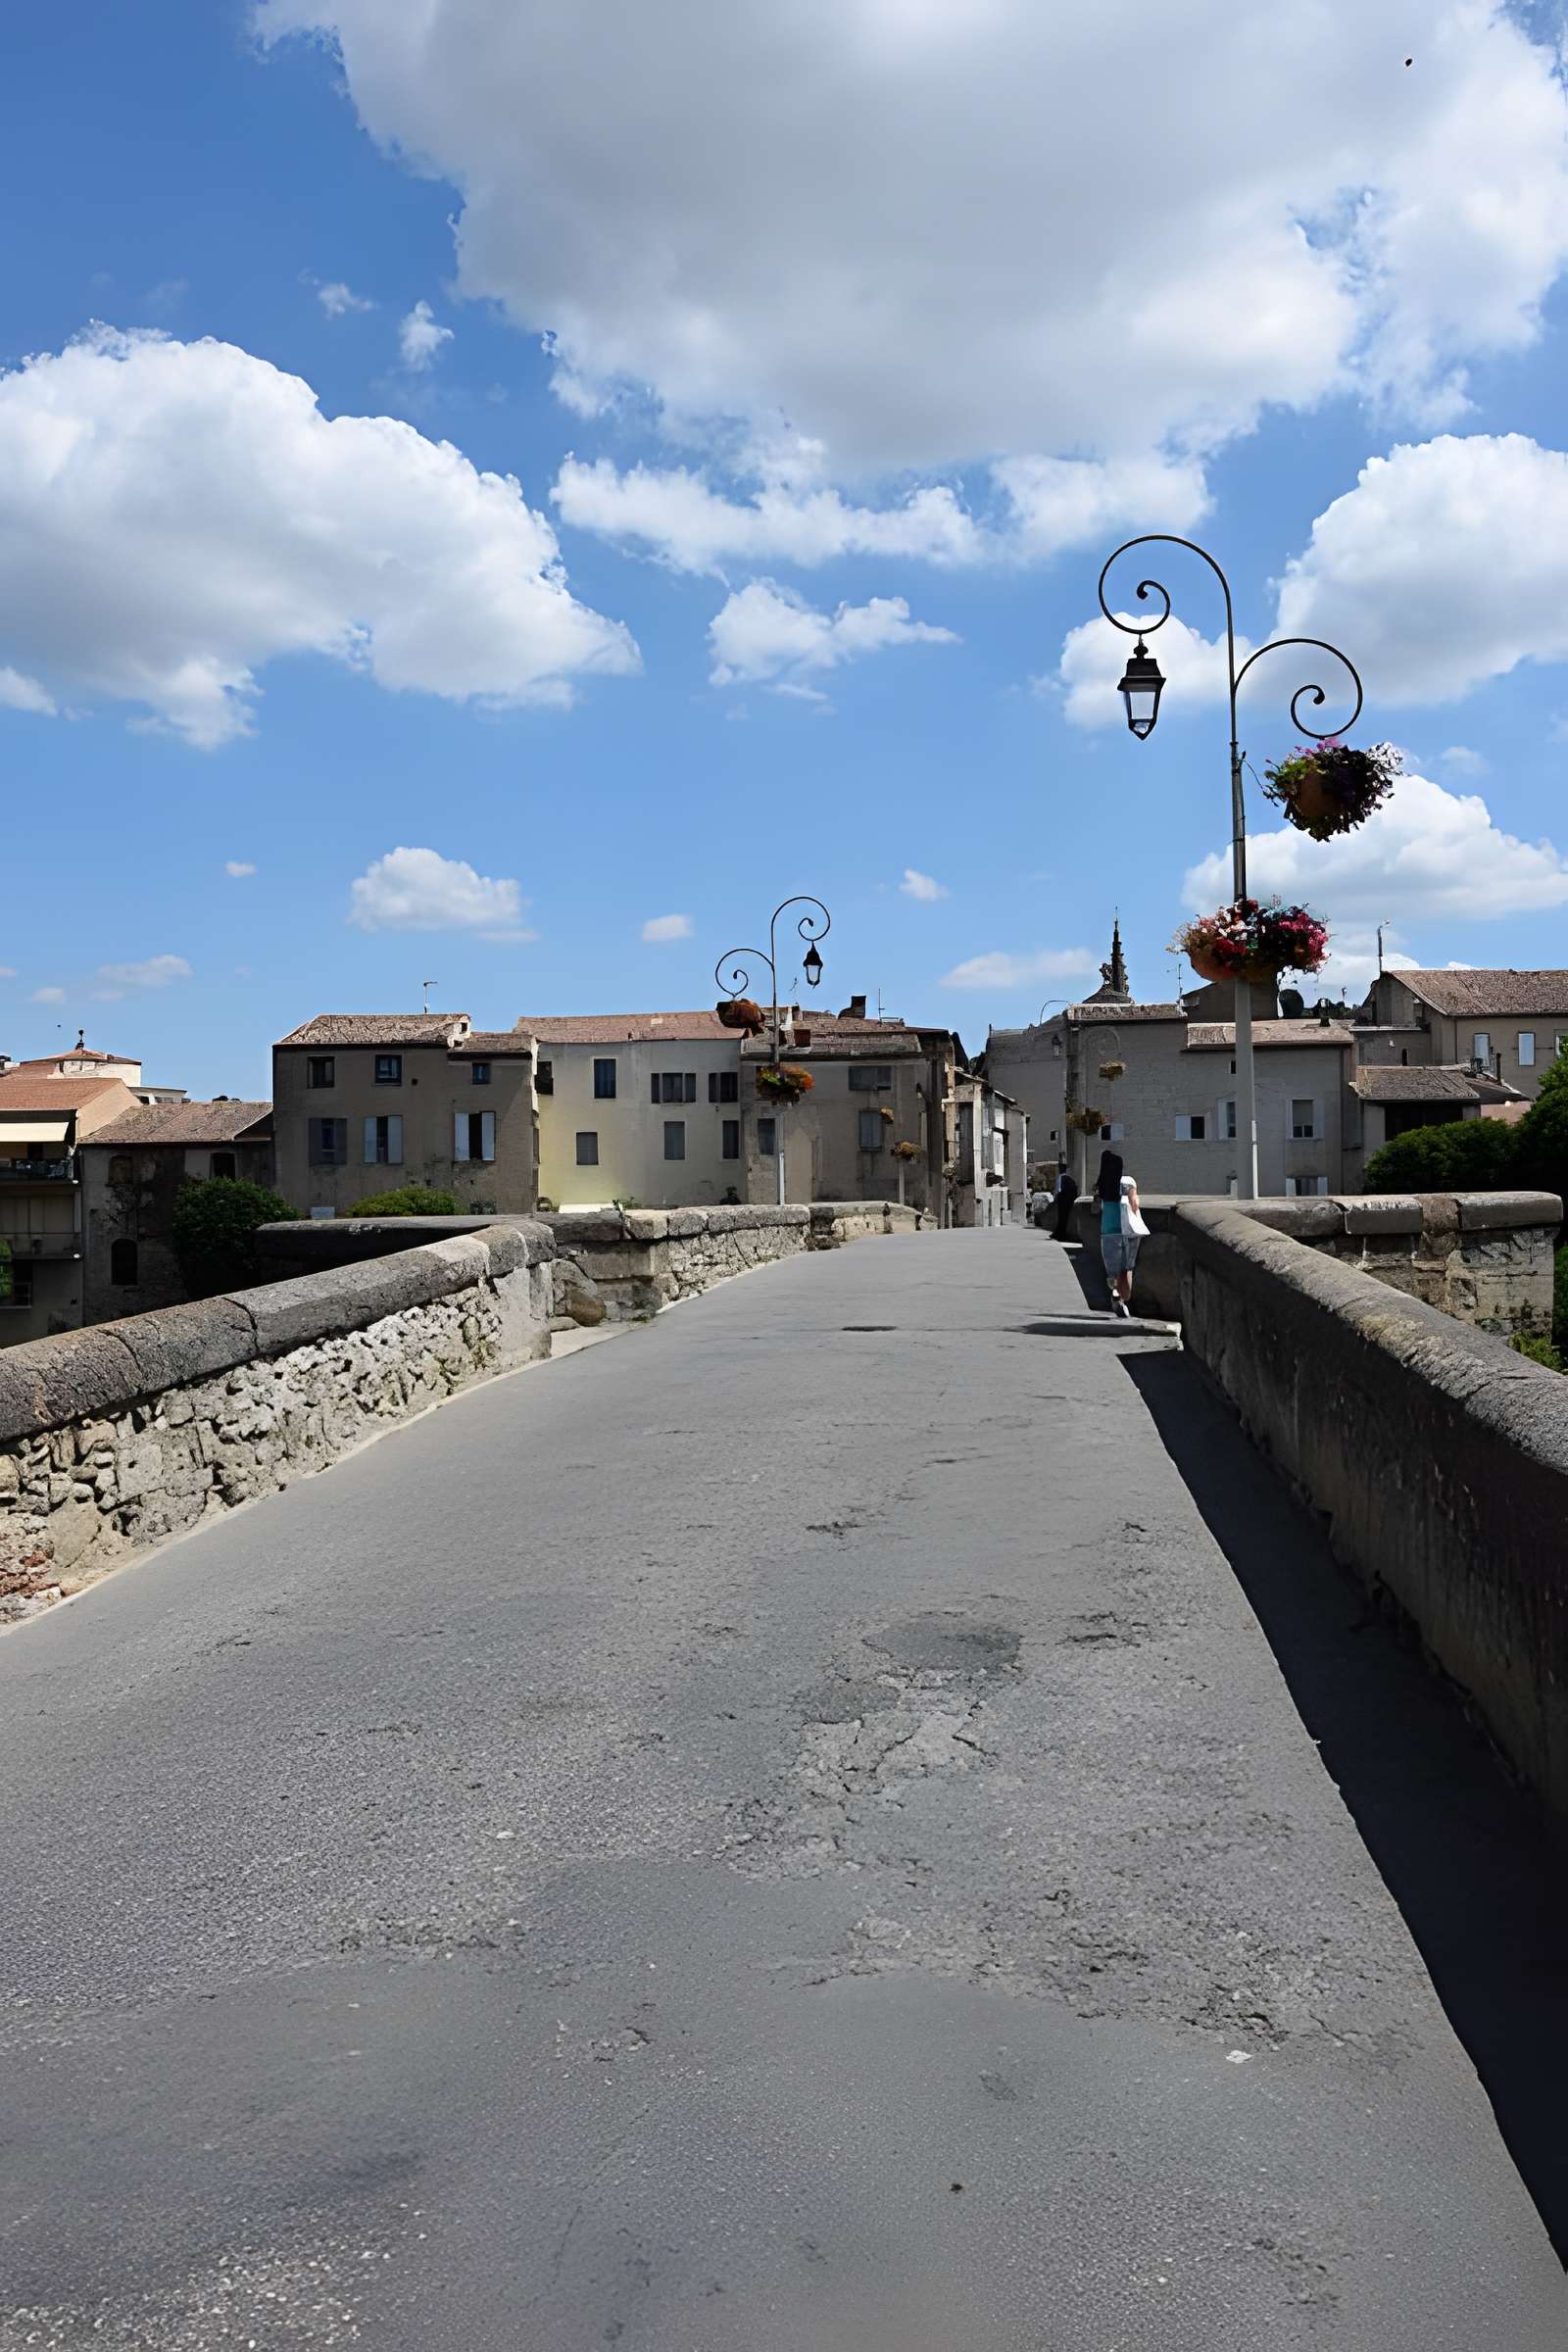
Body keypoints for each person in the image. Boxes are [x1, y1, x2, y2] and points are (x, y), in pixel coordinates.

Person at [1096, 1149, 1145, 1317]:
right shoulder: (1128, 1181)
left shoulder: (1102, 1184)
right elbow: (1135, 1203)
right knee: (1127, 1268)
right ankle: (1124, 1299)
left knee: (1112, 1271)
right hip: (1128, 1231)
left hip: (1108, 1231)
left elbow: (1096, 1207)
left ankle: (1116, 1295)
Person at [1052, 1162, 1079, 1241]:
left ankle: (1059, 1235)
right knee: (1065, 1218)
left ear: (1060, 1170)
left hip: (1062, 1201)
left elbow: (1058, 1190)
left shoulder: (1060, 1178)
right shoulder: (1070, 1178)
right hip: (1070, 1201)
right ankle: (1059, 1234)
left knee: (1061, 1218)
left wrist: (1054, 1200)